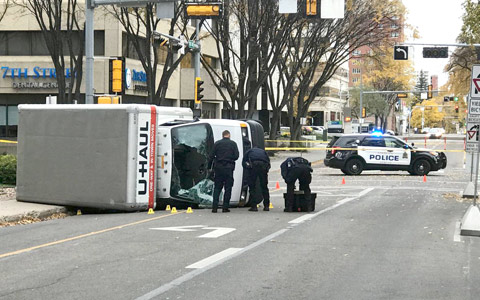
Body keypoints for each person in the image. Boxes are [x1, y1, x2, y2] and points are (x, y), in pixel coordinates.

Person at [208, 130, 239, 213]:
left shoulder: (217, 144)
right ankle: (225, 207)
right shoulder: (233, 144)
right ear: (229, 135)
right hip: (229, 168)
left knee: (217, 187)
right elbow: (236, 156)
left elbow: (211, 156)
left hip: (218, 168)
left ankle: (215, 207)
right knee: (228, 188)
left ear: (223, 135)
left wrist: (209, 167)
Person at [242, 147, 270, 211]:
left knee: (252, 187)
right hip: (263, 166)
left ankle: (254, 206)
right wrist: (266, 170)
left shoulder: (249, 151)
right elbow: (268, 162)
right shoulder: (263, 152)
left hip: (253, 166)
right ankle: (266, 206)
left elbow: (244, 162)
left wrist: (248, 169)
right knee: (264, 187)